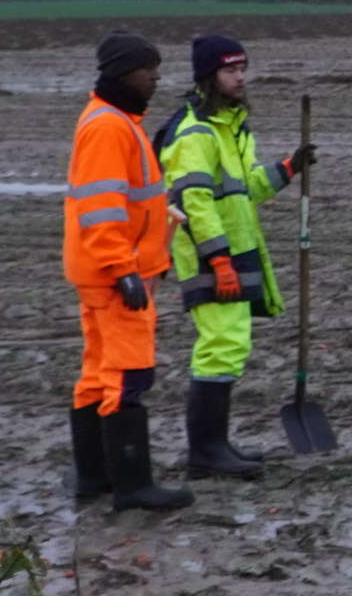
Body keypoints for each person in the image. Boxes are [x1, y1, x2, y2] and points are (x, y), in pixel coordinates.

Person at [155, 34, 314, 480]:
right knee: (221, 345)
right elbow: (194, 202)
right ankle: (205, 453)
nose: (240, 77)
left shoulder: (231, 128)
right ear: (209, 76)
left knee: (231, 345)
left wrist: (287, 169)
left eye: (243, 68)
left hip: (235, 248)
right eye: (231, 70)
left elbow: (244, 191)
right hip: (209, 255)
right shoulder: (195, 134)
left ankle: (216, 445)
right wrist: (219, 260)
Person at [64, 33, 189, 515]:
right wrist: (124, 270)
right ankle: (132, 484)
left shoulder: (116, 121)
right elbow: (101, 209)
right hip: (117, 276)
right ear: (121, 74)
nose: (156, 77)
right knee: (127, 374)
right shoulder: (108, 127)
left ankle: (93, 478)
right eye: (147, 69)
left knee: (98, 375)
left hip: (109, 271)